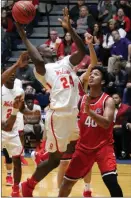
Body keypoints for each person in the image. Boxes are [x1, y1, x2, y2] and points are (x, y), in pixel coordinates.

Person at [16, 7, 87, 197]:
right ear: (41, 53)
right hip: (60, 116)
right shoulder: (43, 70)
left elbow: (82, 50)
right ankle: (28, 185)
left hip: (73, 115)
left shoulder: (65, 62)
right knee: (56, 160)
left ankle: (42, 155)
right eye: (46, 46)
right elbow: (37, 60)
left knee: (77, 147)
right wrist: (24, 38)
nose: (50, 45)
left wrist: (70, 29)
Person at [58, 66, 123, 197]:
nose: (92, 76)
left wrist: (89, 112)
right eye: (91, 74)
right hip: (83, 148)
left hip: (103, 147)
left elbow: (106, 123)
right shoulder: (81, 100)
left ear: (103, 82)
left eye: (96, 74)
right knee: (66, 184)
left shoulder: (108, 100)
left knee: (111, 181)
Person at [2, 71, 24, 197]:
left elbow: (23, 108)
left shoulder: (19, 91)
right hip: (1, 129)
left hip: (13, 131)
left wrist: (31, 113)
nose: (12, 74)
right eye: (8, 72)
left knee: (17, 161)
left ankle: (15, 189)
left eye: (14, 73)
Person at [112, 93, 131, 159]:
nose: (114, 99)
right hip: (110, 129)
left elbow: (127, 122)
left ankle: (124, 152)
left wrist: (119, 126)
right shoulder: (109, 108)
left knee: (121, 131)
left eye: (116, 98)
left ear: (120, 99)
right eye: (113, 98)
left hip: (122, 128)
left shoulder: (127, 108)